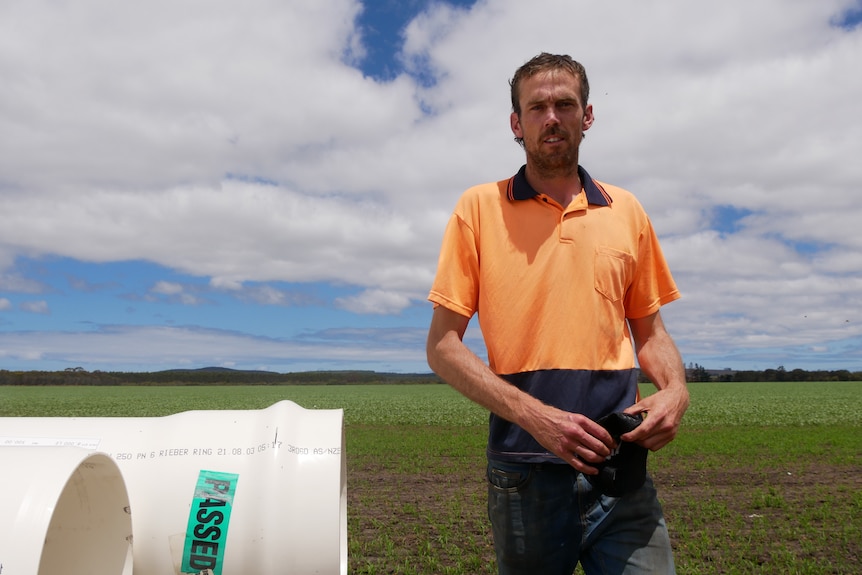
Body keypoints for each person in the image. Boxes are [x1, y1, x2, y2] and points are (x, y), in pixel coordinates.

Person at [425, 53, 690, 575]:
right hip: (525, 474)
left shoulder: (627, 210)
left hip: (622, 471)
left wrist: (676, 390)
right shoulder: (478, 208)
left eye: (565, 104)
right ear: (515, 123)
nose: (552, 117)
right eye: (537, 107)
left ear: (586, 116)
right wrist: (538, 418)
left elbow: (651, 333)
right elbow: (442, 348)